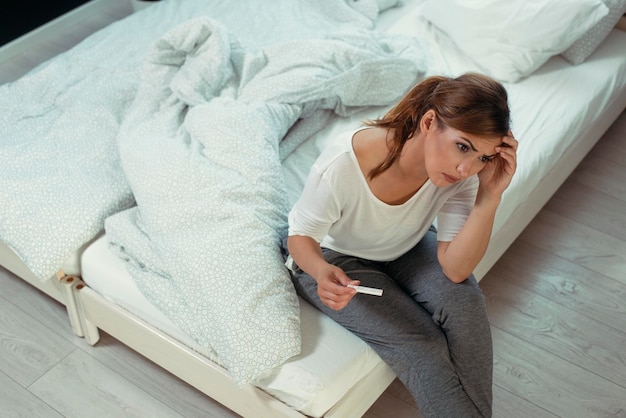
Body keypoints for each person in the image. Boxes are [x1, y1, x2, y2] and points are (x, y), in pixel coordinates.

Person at [285, 72, 517, 417]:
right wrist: (320, 272)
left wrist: (489, 198)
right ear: (429, 122)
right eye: (463, 145)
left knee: (466, 307)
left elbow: (455, 269)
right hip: (334, 256)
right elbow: (299, 239)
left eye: (483, 157)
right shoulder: (343, 164)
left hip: (405, 245)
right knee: (424, 346)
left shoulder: (462, 175)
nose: (466, 166)